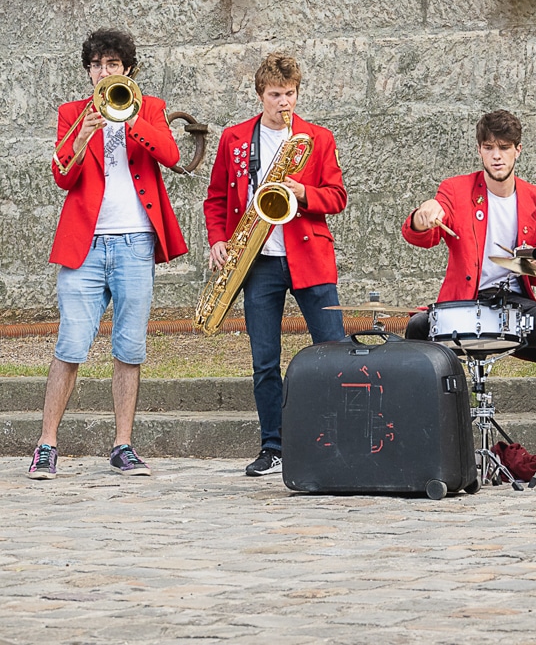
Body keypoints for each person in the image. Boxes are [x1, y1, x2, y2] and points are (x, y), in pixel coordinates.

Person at [29, 29, 188, 480]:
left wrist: (129, 119)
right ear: (88, 71)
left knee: (129, 347)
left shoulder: (150, 107)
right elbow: (62, 175)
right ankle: (46, 445)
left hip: (136, 240)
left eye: (112, 65)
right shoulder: (72, 113)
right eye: (97, 65)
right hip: (86, 243)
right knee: (71, 343)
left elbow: (173, 154)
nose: (104, 72)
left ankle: (122, 445)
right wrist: (85, 133)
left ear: (127, 70)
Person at [402, 109, 536, 476]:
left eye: (504, 148)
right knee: (416, 330)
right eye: (489, 148)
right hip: (463, 301)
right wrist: (421, 218)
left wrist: (533, 265)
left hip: (513, 305)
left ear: (518, 151)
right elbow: (422, 235)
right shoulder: (455, 190)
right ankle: (419, 442)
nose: (497, 155)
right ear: (479, 151)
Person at [204, 53, 347, 477]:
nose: (284, 102)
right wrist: (217, 240)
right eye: (275, 95)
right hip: (257, 260)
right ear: (260, 95)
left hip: (310, 258)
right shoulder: (234, 139)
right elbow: (214, 199)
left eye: (290, 94)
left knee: (333, 353)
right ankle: (274, 446)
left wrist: (301, 191)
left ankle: (337, 442)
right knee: (264, 360)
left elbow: (337, 197)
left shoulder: (317, 138)